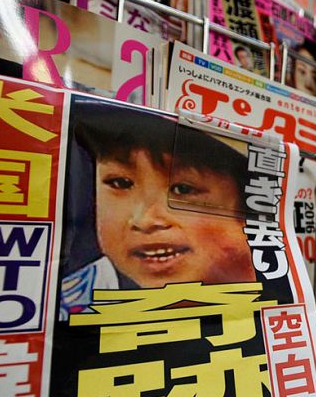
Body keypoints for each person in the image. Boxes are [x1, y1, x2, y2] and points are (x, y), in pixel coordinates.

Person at [60, 104, 254, 318]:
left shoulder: (273, 302)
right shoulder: (70, 305)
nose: (144, 220)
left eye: (183, 189)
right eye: (120, 183)